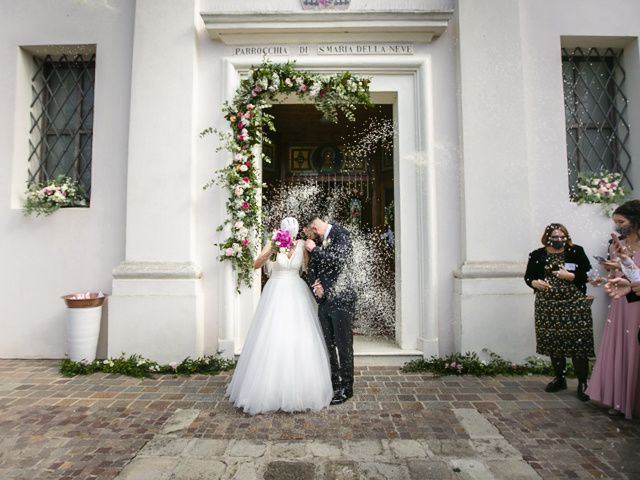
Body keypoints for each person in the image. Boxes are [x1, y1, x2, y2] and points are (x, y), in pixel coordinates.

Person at [226, 217, 333, 415]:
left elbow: (307, 270)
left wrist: (319, 285)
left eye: (293, 230)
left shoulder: (302, 245)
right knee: (273, 333)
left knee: (299, 336)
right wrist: (272, 250)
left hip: (297, 291)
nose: (290, 233)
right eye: (288, 230)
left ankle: (303, 388)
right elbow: (256, 265)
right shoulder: (273, 241)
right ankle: (267, 389)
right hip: (276, 291)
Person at [524, 223, 594, 401]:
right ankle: (560, 378)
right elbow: (529, 276)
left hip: (574, 304)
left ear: (567, 237)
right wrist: (534, 283)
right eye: (554, 237)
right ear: (547, 238)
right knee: (554, 343)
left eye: (561, 237)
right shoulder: (538, 254)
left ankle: (582, 382)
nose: (558, 240)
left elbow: (588, 273)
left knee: (579, 343)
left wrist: (571, 276)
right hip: (548, 305)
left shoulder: (576, 251)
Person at [587, 200, 640, 419]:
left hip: (637, 302)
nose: (618, 226)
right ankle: (619, 399)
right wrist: (608, 274)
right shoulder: (616, 245)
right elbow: (618, 278)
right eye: (616, 222)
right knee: (622, 346)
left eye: (622, 221)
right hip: (622, 301)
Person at [304, 215, 356, 405]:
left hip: (342, 299)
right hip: (324, 301)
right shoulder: (318, 242)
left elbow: (339, 261)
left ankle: (347, 388)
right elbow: (311, 270)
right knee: (327, 344)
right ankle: (334, 383)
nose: (310, 238)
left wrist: (315, 249)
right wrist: (315, 286)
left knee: (343, 345)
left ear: (314, 229)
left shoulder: (341, 234)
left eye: (309, 234)